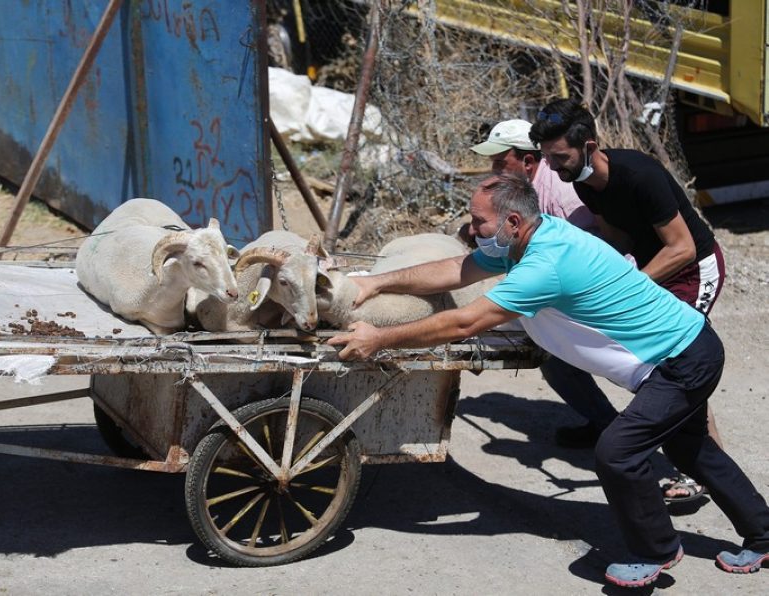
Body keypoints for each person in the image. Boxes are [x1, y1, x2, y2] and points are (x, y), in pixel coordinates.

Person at [328, 173, 769, 588]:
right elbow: (458, 270)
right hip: (681, 352)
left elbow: (465, 322)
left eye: (479, 220)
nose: (472, 227)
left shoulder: (545, 265)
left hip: (682, 359)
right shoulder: (527, 237)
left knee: (618, 453)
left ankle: (656, 552)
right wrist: (376, 283)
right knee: (693, 451)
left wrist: (380, 338)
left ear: (513, 221)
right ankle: (764, 537)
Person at [528, 99, 726, 503]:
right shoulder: (582, 181)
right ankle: (674, 449)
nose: (551, 167)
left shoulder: (639, 174)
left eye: (559, 156)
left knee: (679, 360)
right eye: (546, 157)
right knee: (650, 361)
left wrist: (626, 286)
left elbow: (683, 248)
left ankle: (705, 468)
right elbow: (617, 237)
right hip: (657, 268)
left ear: (589, 145)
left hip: (693, 267)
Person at [469, 118, 598, 234]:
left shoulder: (560, 197)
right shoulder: (518, 188)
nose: (494, 170)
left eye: (500, 163)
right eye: (493, 162)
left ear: (528, 162)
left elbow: (584, 246)